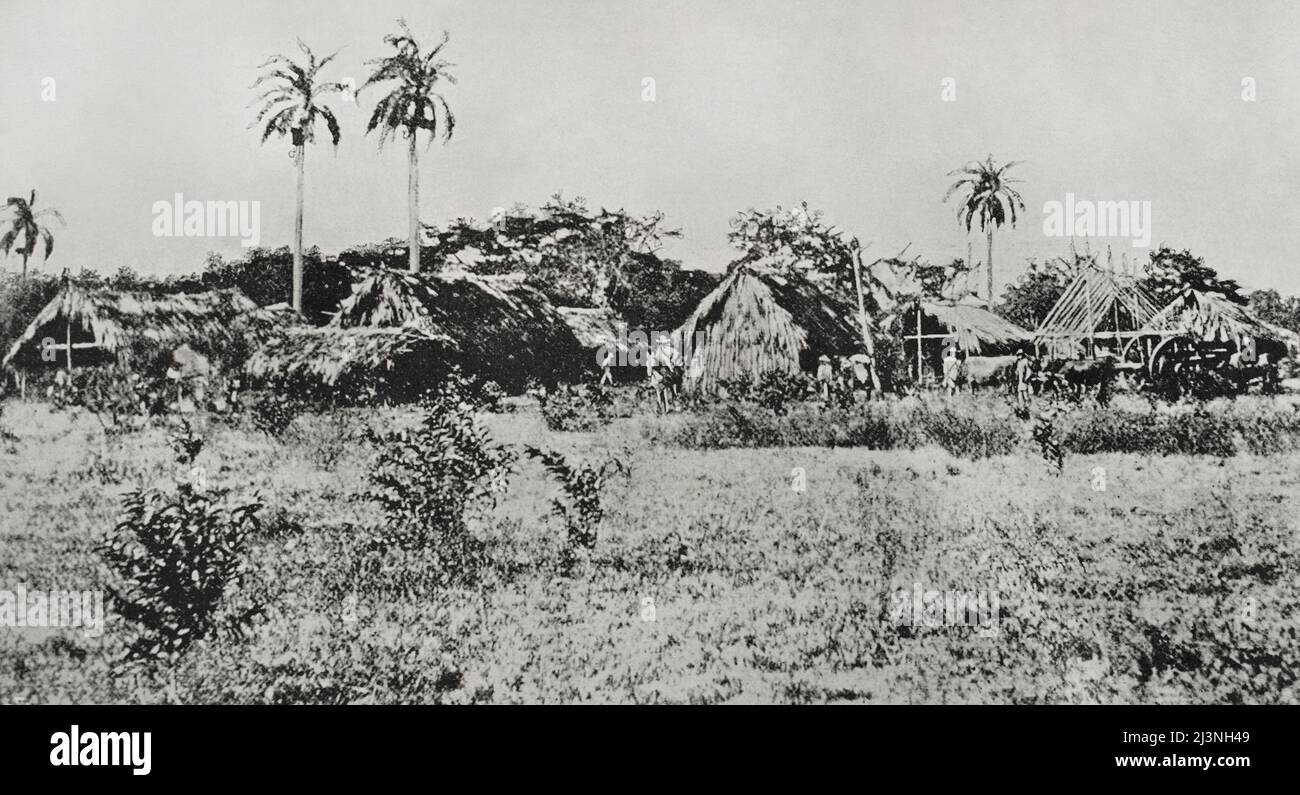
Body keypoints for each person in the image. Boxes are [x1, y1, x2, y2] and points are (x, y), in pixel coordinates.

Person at [647, 334, 682, 413]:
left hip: (668, 372)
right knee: (660, 390)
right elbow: (652, 363)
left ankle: (671, 403)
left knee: (671, 386)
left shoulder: (671, 350)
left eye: (664, 343)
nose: (663, 345)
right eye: (661, 343)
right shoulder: (657, 352)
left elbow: (676, 360)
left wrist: (673, 365)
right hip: (659, 372)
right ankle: (661, 407)